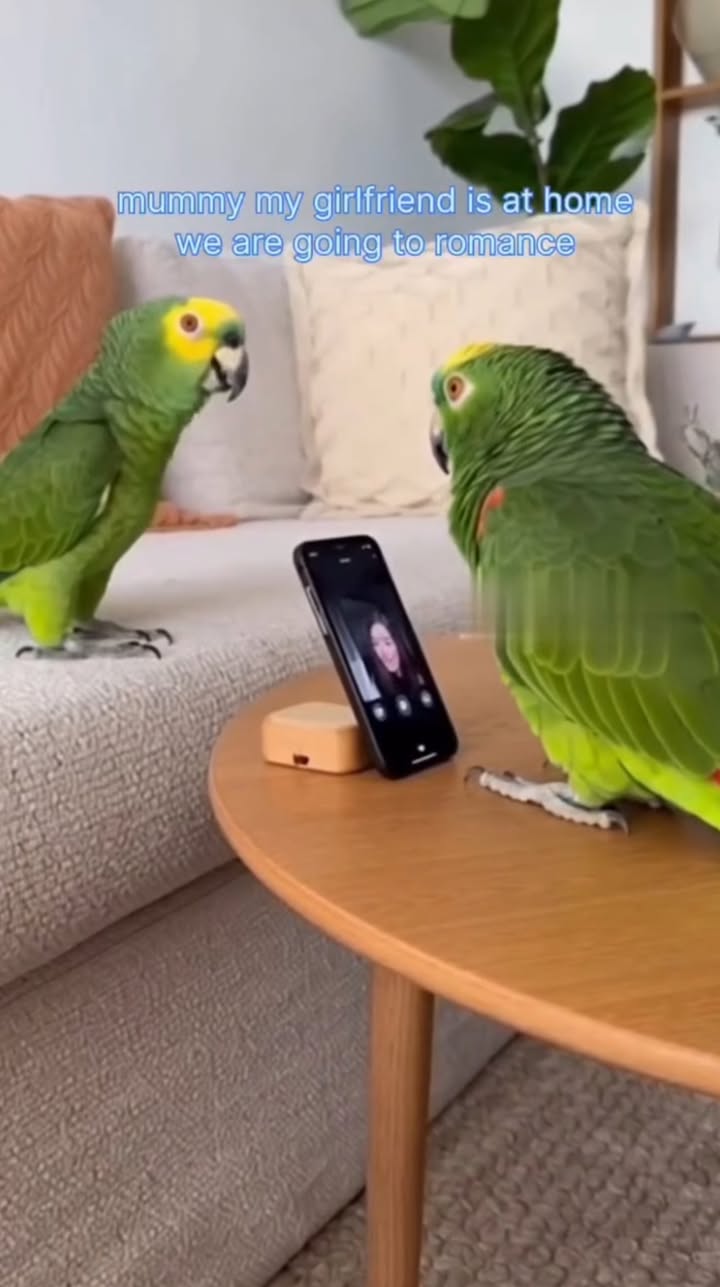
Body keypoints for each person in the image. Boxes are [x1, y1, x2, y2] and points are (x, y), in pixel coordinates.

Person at [364, 610, 419, 700]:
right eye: (375, 644)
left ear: (398, 642)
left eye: (388, 642)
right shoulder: (374, 687)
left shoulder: (418, 671)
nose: (383, 652)